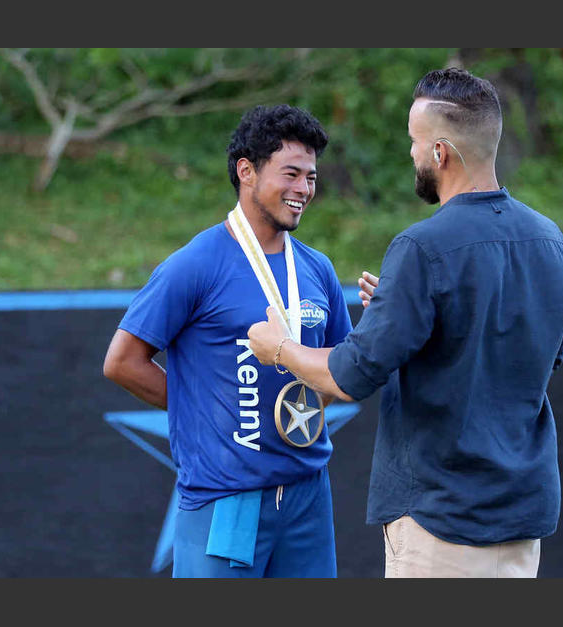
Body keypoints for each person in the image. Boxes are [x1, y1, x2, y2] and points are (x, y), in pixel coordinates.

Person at [247, 67, 563, 578]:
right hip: (521, 521)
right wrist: (405, 310)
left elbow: (348, 377)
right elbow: (516, 349)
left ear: (441, 153)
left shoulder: (422, 248)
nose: (412, 154)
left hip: (440, 520)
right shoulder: (553, 242)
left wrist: (279, 349)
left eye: (415, 142)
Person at [102, 104, 353, 578]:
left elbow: (346, 368)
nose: (303, 189)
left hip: (307, 496)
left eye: (311, 178)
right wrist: (204, 411)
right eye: (291, 174)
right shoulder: (196, 264)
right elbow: (122, 361)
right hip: (227, 499)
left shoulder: (316, 269)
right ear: (247, 171)